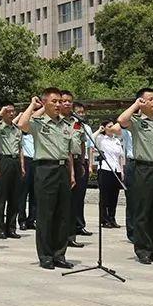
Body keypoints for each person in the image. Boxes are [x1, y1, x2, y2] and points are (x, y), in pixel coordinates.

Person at [17, 88, 77, 270]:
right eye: (54, 101)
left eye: (60, 101)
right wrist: (33, 106)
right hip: (45, 169)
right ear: (45, 103)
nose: (59, 105)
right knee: (46, 214)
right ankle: (45, 255)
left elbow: (68, 153)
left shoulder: (67, 125)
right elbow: (22, 124)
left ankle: (60, 254)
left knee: (62, 214)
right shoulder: (39, 123)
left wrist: (71, 173)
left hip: (62, 169)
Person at [118, 88, 153, 265]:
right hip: (143, 169)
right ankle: (142, 250)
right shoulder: (135, 122)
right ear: (142, 102)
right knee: (142, 211)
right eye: (150, 99)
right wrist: (136, 105)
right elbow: (121, 120)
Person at [0, 103, 24, 239]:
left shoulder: (17, 129)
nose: (11, 114)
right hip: (3, 160)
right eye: (8, 111)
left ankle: (11, 228)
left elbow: (20, 148)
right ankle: (1, 229)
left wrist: (22, 166)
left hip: (15, 161)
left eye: (13, 111)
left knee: (14, 198)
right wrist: (1, 111)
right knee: (1, 198)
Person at [94, 119, 126, 228]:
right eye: (109, 126)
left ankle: (112, 218)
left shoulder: (116, 140)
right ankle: (104, 219)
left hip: (116, 170)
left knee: (114, 196)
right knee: (105, 196)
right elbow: (90, 140)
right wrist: (99, 130)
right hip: (105, 169)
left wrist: (122, 171)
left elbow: (121, 156)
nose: (112, 128)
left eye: (113, 126)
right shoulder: (100, 138)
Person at [69, 102, 92, 244]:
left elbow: (85, 145)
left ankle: (79, 225)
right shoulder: (67, 124)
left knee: (79, 197)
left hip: (80, 162)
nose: (81, 114)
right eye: (79, 111)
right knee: (68, 200)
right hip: (67, 162)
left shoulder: (83, 126)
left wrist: (84, 162)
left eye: (83, 112)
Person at [18, 130, 36, 230]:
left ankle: (32, 219)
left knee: (35, 194)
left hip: (36, 161)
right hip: (26, 161)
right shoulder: (22, 133)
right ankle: (22, 220)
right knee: (23, 193)